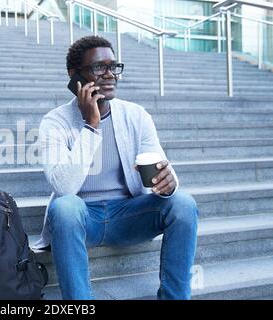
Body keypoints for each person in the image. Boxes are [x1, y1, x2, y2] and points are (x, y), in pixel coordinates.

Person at [33, 36, 199, 300]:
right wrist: (91, 126)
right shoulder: (54, 122)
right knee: (64, 207)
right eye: (99, 68)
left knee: (183, 203)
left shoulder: (136, 115)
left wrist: (169, 183)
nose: (109, 74)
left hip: (127, 215)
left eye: (114, 67)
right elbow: (64, 188)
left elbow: (160, 167)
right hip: (82, 218)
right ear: (74, 75)